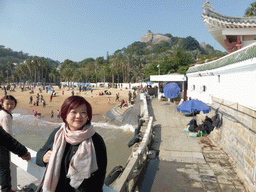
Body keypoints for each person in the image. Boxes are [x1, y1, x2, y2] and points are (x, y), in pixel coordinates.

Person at [36, 96, 107, 192]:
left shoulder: (96, 140)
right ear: (65, 114)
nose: (78, 116)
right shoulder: (57, 134)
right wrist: (44, 157)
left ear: (88, 116)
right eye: (73, 112)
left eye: (83, 112)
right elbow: (39, 155)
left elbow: (100, 177)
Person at [0, 95, 30, 192]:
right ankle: (6, 189)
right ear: (2, 104)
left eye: (12, 104)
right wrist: (21, 151)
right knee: (5, 168)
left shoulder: (1, 113)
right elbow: (6, 134)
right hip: (3, 146)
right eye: (7, 104)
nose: (10, 106)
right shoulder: (6, 116)